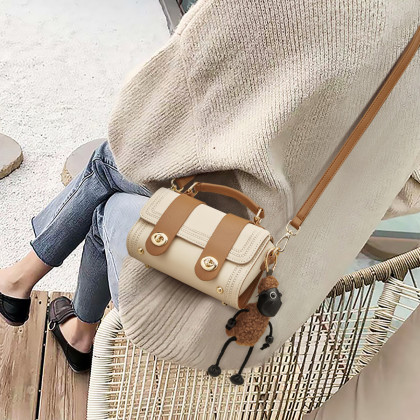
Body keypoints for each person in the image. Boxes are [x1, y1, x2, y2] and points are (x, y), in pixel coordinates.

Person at [1, 1, 419, 374]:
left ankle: (28, 287)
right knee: (115, 175)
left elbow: (145, 123)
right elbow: (410, 187)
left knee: (109, 171)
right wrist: (322, 203)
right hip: (298, 281)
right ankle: (68, 322)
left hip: (212, 279)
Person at [0, 141, 151, 372]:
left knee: (107, 160)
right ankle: (79, 335)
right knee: (106, 205)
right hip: (211, 218)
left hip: (205, 213)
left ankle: (19, 280)